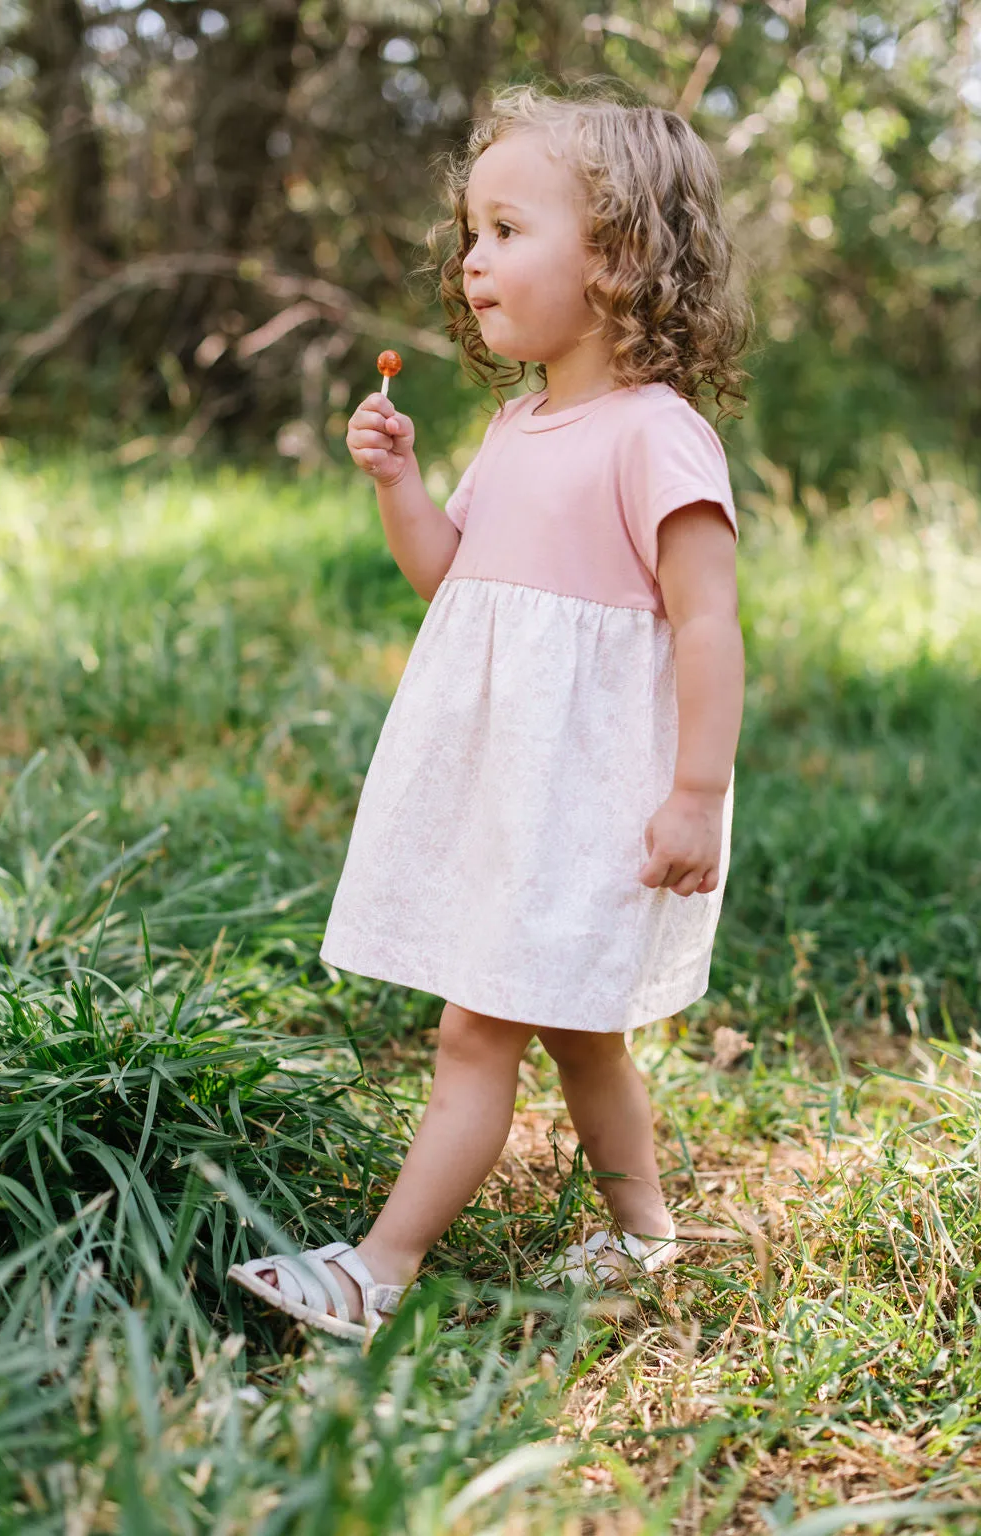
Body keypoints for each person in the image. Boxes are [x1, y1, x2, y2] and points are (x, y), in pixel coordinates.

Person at [229, 81, 752, 1343]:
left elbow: (708, 626)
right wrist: (400, 485)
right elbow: (450, 579)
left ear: (619, 255)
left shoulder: (656, 439)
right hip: (510, 787)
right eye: (472, 232)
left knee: (479, 1032)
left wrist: (695, 793)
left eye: (509, 230)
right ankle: (642, 1239)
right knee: (583, 1037)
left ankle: (374, 1271)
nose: (472, 258)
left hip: (592, 797)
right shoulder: (518, 423)